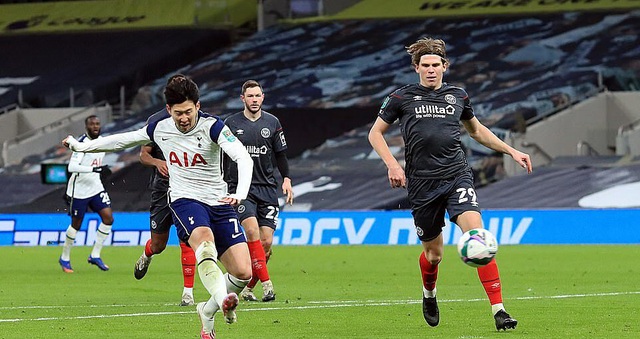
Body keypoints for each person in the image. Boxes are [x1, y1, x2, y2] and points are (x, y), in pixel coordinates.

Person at [62, 74, 254, 339]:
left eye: (188, 112)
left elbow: (243, 158)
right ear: (168, 110)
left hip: (219, 201)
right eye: (178, 114)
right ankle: (223, 301)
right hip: (184, 199)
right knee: (204, 242)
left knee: (243, 273)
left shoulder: (214, 127)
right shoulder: (159, 127)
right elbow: (122, 140)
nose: (183, 118)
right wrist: (81, 147)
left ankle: (207, 310)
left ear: (198, 106)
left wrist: (240, 193)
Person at [368, 37, 532, 331]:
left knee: (478, 236)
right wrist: (393, 164)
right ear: (416, 67)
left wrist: (511, 150)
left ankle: (500, 310)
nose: (431, 70)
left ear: (445, 66)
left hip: (456, 175)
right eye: (425, 65)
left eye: (436, 65)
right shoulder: (401, 98)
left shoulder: (458, 96)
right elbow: (375, 134)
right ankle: (429, 294)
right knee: (434, 254)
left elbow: (477, 131)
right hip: (421, 183)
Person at [224, 80, 294, 302]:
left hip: (267, 189)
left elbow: (280, 155)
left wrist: (287, 179)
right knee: (252, 232)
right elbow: (221, 155)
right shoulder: (231, 123)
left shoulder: (272, 123)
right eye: (250, 96)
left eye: (257, 96)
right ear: (242, 98)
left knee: (266, 245)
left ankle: (247, 287)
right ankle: (267, 286)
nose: (254, 100)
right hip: (241, 189)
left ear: (263, 97)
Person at [134, 136, 197, 307]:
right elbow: (143, 155)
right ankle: (147, 255)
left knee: (187, 240)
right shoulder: (156, 125)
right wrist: (157, 162)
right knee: (158, 245)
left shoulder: (197, 125)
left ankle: (188, 293)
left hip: (187, 191)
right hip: (161, 191)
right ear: (169, 107)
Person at [59, 115, 113, 273]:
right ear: (86, 127)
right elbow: (72, 167)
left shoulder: (102, 141)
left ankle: (95, 255)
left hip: (96, 187)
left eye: (97, 123)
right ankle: (65, 257)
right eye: (92, 124)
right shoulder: (81, 144)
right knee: (76, 225)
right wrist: (94, 169)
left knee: (108, 218)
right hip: (79, 191)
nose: (95, 126)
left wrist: (101, 169)